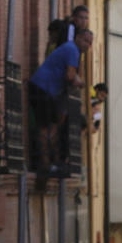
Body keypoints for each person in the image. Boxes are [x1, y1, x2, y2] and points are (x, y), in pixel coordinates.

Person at [28, 28, 91, 170]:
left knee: (52, 125)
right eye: (86, 41)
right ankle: (45, 163)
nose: (88, 45)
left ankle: (51, 162)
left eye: (90, 43)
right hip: (43, 88)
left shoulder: (71, 49)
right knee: (46, 127)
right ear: (78, 38)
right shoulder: (72, 50)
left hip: (45, 89)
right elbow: (70, 75)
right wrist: (81, 83)